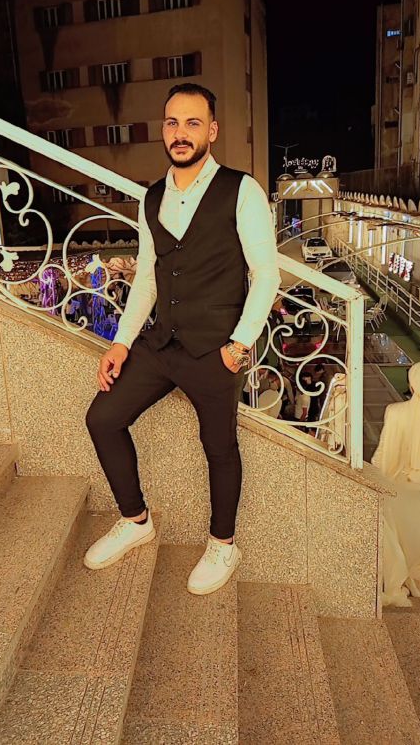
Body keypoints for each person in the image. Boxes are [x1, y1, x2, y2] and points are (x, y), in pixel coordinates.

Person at [84, 82, 281, 596]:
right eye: (172, 122)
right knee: (102, 418)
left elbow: (266, 275)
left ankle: (223, 544)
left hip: (216, 349)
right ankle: (136, 520)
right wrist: (122, 342)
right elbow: (148, 279)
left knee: (219, 447)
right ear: (163, 130)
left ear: (211, 131)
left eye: (193, 123)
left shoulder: (242, 190)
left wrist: (237, 346)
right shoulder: (151, 198)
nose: (181, 132)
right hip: (160, 344)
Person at [371, 361, 420, 607]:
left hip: (400, 489)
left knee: (388, 519)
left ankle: (401, 577)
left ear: (412, 385)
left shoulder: (395, 412)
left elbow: (383, 455)